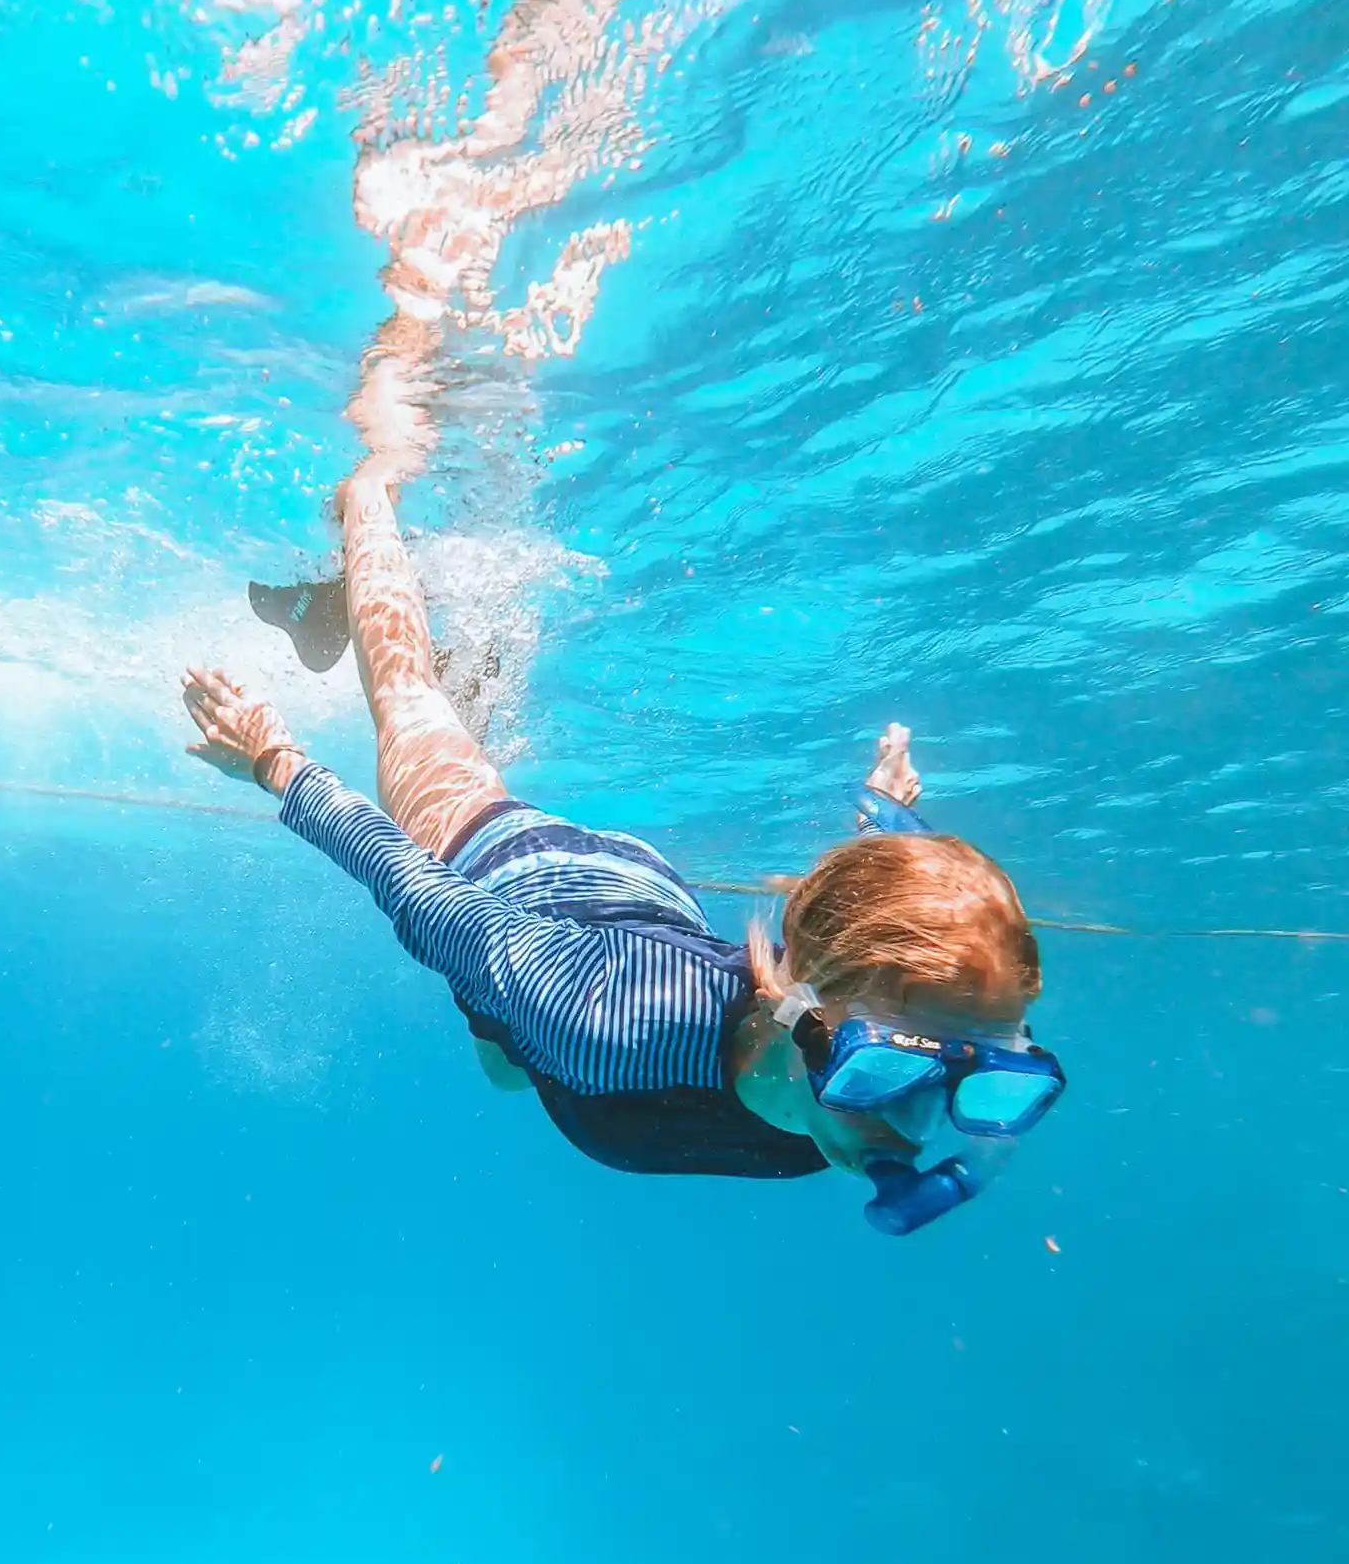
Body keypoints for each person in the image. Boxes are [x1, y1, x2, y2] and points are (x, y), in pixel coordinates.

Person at [181, 473, 1064, 1236]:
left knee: (504, 1072)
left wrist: (888, 830)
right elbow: (411, 885)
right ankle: (367, 503)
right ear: (798, 1005)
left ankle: (466, 684)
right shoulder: (596, 1021)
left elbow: (872, 954)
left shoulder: (846, 1084)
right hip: (510, 867)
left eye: (978, 1089)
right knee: (409, 704)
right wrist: (273, 759)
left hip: (640, 913)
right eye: (886, 1069)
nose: (912, 1130)